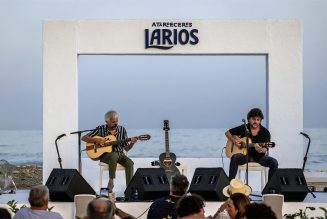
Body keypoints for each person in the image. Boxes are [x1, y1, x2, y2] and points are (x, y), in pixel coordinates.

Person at [82, 110, 137, 191]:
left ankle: (129, 190)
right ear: (106, 121)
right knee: (114, 155)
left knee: (130, 163)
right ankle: (111, 180)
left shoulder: (122, 130)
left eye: (117, 121)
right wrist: (98, 141)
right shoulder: (100, 129)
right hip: (106, 156)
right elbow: (84, 138)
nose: (116, 123)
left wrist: (132, 143)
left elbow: (126, 148)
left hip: (120, 154)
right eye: (113, 122)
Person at [225, 108, 278, 180]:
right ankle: (231, 184)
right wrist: (234, 142)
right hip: (245, 156)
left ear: (260, 120)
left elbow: (265, 149)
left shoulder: (265, 132)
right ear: (249, 119)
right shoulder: (244, 128)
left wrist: (261, 150)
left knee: (274, 162)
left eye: (258, 119)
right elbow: (227, 133)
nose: (255, 121)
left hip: (259, 158)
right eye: (253, 119)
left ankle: (270, 188)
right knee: (235, 157)